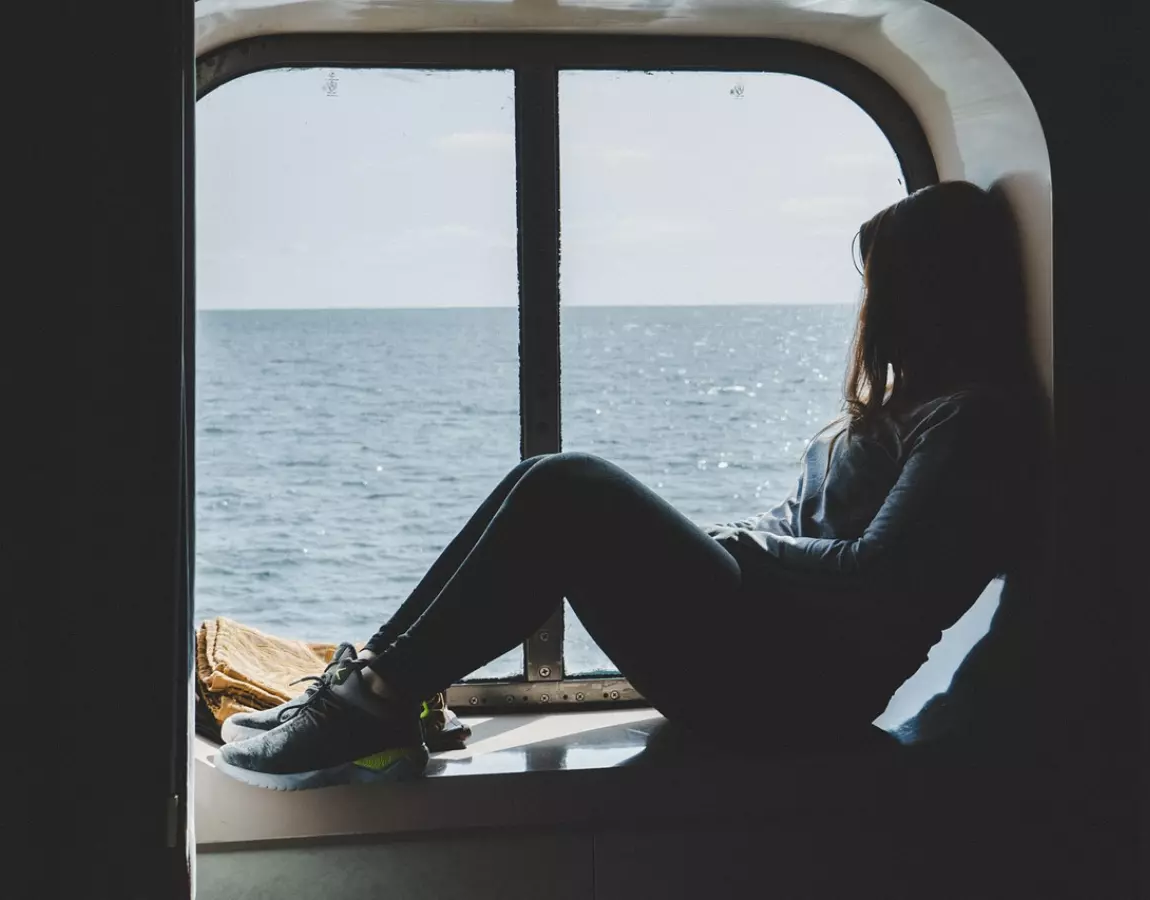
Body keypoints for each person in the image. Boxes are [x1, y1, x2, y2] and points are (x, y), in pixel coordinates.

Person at [215, 180, 1043, 790]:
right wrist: (730, 542)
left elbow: (882, 572)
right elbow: (807, 523)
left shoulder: (974, 422)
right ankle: (382, 687)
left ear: (944, 292)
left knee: (570, 487)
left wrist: (745, 548)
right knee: (544, 476)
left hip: (797, 692)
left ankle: (373, 703)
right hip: (769, 652)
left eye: (895, 284)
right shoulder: (902, 407)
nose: (879, 307)